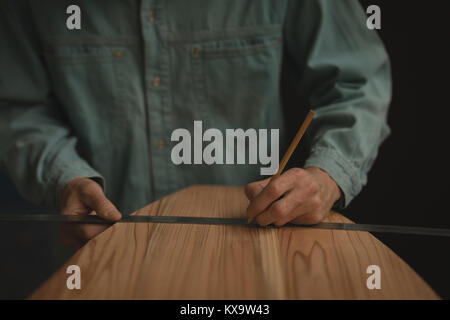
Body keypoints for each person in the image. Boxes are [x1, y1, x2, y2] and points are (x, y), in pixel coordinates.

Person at [0, 0, 391, 250]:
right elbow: (17, 109)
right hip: (98, 252)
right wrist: (63, 178)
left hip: (253, 253)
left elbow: (359, 81)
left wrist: (325, 177)